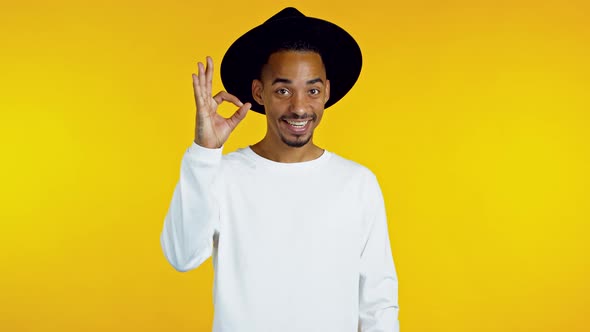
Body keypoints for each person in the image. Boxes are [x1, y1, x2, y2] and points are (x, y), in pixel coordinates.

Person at [160, 7, 399, 332]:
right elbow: (181, 256)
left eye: (312, 91)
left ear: (326, 92)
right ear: (259, 93)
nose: (299, 107)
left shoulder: (357, 184)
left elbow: (378, 302)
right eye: (283, 90)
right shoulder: (222, 176)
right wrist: (205, 152)